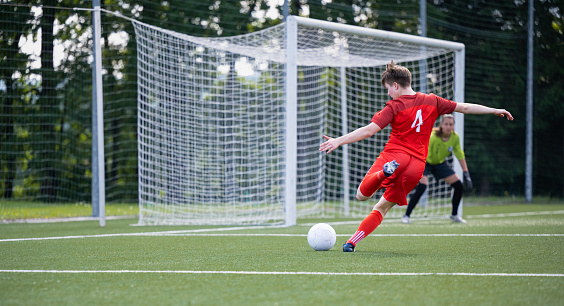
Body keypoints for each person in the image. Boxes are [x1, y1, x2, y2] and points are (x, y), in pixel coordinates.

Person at [319, 60, 513, 252]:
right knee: (383, 207)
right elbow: (464, 108)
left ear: (395, 85)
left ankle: (383, 174)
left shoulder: (394, 106)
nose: (388, 93)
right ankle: (351, 242)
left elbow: (369, 130)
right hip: (416, 167)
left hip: (395, 157)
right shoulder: (433, 101)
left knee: (361, 195)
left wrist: (338, 140)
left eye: (388, 88)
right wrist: (494, 110)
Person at [401, 114, 472, 224]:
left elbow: (460, 154)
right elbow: (421, 149)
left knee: (458, 185)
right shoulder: (433, 136)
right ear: (441, 125)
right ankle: (407, 216)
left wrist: (466, 173)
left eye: (451, 124)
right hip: (424, 161)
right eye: (446, 124)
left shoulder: (455, 137)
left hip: (440, 163)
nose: (448, 126)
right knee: (422, 186)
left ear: (453, 126)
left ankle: (454, 215)